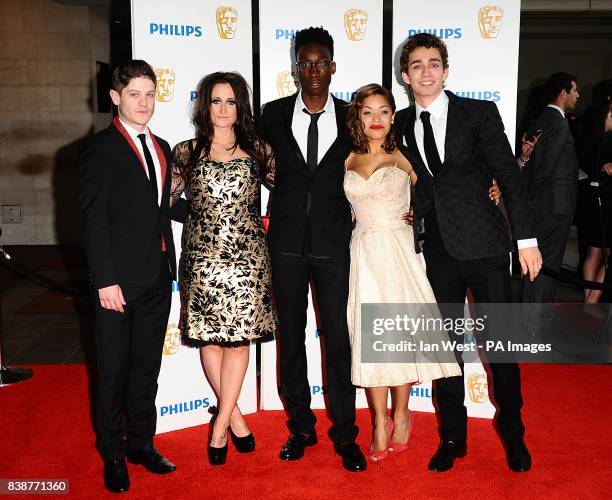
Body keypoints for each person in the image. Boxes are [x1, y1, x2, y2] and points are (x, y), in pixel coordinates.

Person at [394, 33, 542, 473]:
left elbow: (508, 177)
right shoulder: (400, 122)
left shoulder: (478, 113)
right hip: (437, 253)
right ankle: (452, 437)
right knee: (447, 352)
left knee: (501, 349)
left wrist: (526, 240)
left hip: (486, 247)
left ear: (445, 70)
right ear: (405, 75)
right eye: (416, 65)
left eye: (434, 64)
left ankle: (513, 434)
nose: (425, 72)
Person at [259, 27, 367, 472]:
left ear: (333, 67)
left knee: (338, 341)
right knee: (292, 339)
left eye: (321, 62)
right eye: (305, 63)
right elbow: (258, 169)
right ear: (295, 68)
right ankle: (301, 426)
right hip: (284, 246)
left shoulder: (351, 117)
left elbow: (382, 163)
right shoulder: (272, 114)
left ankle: (345, 432)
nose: (314, 70)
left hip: (335, 245)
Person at [344, 83, 463, 463]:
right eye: (367, 111)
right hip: (363, 253)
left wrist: (420, 217)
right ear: (357, 117)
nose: (375, 119)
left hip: (397, 252)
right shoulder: (344, 160)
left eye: (383, 111)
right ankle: (378, 421)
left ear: (393, 116)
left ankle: (401, 413)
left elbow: (438, 193)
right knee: (371, 341)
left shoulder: (404, 156)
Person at [77, 59, 177, 493]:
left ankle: (141, 443)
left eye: (150, 94)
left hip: (156, 277)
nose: (144, 102)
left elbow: (163, 209)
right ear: (115, 97)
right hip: (117, 283)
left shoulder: (163, 147)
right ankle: (113, 454)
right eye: (134, 94)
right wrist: (104, 280)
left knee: (145, 369)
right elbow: (92, 220)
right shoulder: (98, 149)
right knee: (113, 370)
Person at [170, 72, 276, 465]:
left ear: (241, 107)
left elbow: (292, 190)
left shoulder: (258, 150)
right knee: (210, 340)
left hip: (248, 261)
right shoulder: (186, 152)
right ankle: (235, 417)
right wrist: (200, 213)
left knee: (238, 340)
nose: (224, 109)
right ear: (205, 106)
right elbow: (163, 200)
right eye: (216, 101)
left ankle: (219, 426)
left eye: (231, 101)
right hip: (201, 260)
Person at [522, 73, 579, 320]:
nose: (578, 95)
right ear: (563, 92)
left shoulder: (542, 119)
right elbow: (546, 168)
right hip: (554, 207)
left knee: (535, 264)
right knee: (547, 265)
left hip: (544, 205)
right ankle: (536, 322)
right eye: (574, 90)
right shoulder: (558, 122)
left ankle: (530, 319)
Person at [580, 102, 612, 302]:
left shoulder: (588, 141)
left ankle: (588, 301)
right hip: (607, 202)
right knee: (607, 256)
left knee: (594, 253)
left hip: (590, 200)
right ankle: (592, 301)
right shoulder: (608, 141)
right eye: (610, 115)